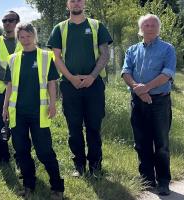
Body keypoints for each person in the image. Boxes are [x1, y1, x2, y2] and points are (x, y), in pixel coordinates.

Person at [47, 0, 112, 177]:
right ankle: (79, 166)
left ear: (84, 4)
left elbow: (105, 55)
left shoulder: (97, 26)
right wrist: (71, 78)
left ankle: (96, 167)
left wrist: (92, 76)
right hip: (70, 85)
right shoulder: (59, 28)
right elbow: (57, 58)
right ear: (67, 5)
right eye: (72, 1)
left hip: (94, 85)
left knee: (94, 127)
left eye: (79, 0)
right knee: (74, 128)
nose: (76, 4)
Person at [2, 23, 64, 200]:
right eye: (21, 36)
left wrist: (53, 104)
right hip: (18, 113)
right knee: (21, 151)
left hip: (40, 113)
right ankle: (29, 185)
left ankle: (57, 187)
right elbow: (10, 85)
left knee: (44, 151)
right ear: (18, 37)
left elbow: (52, 83)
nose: (25, 40)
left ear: (34, 36)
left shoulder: (45, 56)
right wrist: (5, 106)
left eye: (28, 36)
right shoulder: (13, 59)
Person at [121, 14, 176, 196]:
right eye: (146, 25)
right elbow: (126, 72)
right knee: (141, 143)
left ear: (158, 28)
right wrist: (139, 90)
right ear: (141, 29)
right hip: (138, 102)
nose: (150, 27)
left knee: (161, 144)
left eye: (153, 25)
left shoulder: (168, 49)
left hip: (160, 101)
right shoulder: (132, 50)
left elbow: (167, 73)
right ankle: (147, 179)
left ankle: (163, 182)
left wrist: (146, 88)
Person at [0, 11, 22, 163]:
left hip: (21, 91)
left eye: (10, 20)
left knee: (20, 126)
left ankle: (21, 159)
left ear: (17, 22)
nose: (7, 23)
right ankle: (2, 157)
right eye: (4, 21)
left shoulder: (25, 40)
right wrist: (10, 80)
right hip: (0, 91)